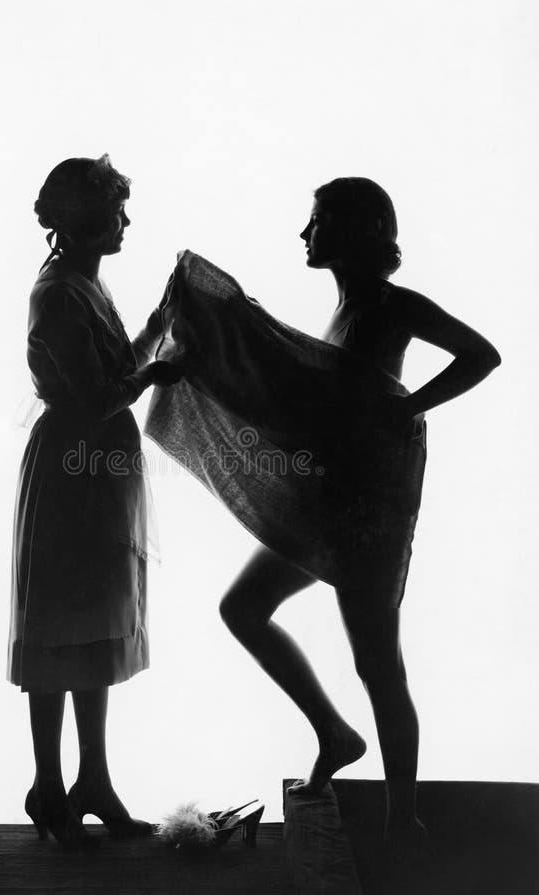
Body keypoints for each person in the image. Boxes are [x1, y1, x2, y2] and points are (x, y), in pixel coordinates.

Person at [145, 177, 501, 848]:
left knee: (378, 665)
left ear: (359, 232)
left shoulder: (395, 306)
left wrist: (408, 406)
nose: (305, 235)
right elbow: (301, 391)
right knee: (242, 609)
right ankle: (336, 734)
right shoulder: (339, 314)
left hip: (366, 516)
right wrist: (199, 352)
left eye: (317, 223)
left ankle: (402, 818)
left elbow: (483, 356)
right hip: (325, 501)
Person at [7, 154, 180, 846]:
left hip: (100, 470)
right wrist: (152, 375)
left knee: (93, 619)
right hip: (72, 472)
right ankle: (51, 785)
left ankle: (92, 781)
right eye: (115, 211)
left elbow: (115, 372)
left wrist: (162, 324)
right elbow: (86, 398)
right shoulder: (57, 294)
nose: (125, 222)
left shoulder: (85, 284)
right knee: (58, 621)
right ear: (81, 219)